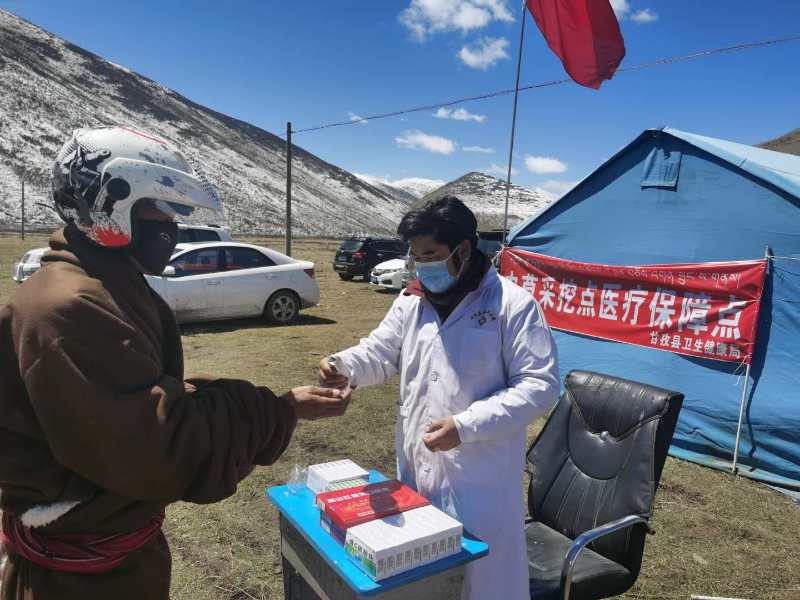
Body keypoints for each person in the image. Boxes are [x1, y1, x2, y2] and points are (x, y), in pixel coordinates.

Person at [0, 126, 349, 600]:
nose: (171, 225)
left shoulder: (106, 285)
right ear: (109, 204)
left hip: (106, 561)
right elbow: (158, 444)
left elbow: (148, 390)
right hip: (79, 582)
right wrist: (280, 410)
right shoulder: (70, 307)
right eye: (160, 209)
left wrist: (273, 405)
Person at [319, 196, 559, 600]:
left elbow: (539, 385)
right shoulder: (412, 300)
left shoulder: (511, 305)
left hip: (479, 479)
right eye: (415, 256)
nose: (421, 266)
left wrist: (466, 426)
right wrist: (343, 365)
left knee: (482, 582)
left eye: (430, 255)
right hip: (418, 469)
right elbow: (381, 351)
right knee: (425, 579)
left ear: (463, 250)